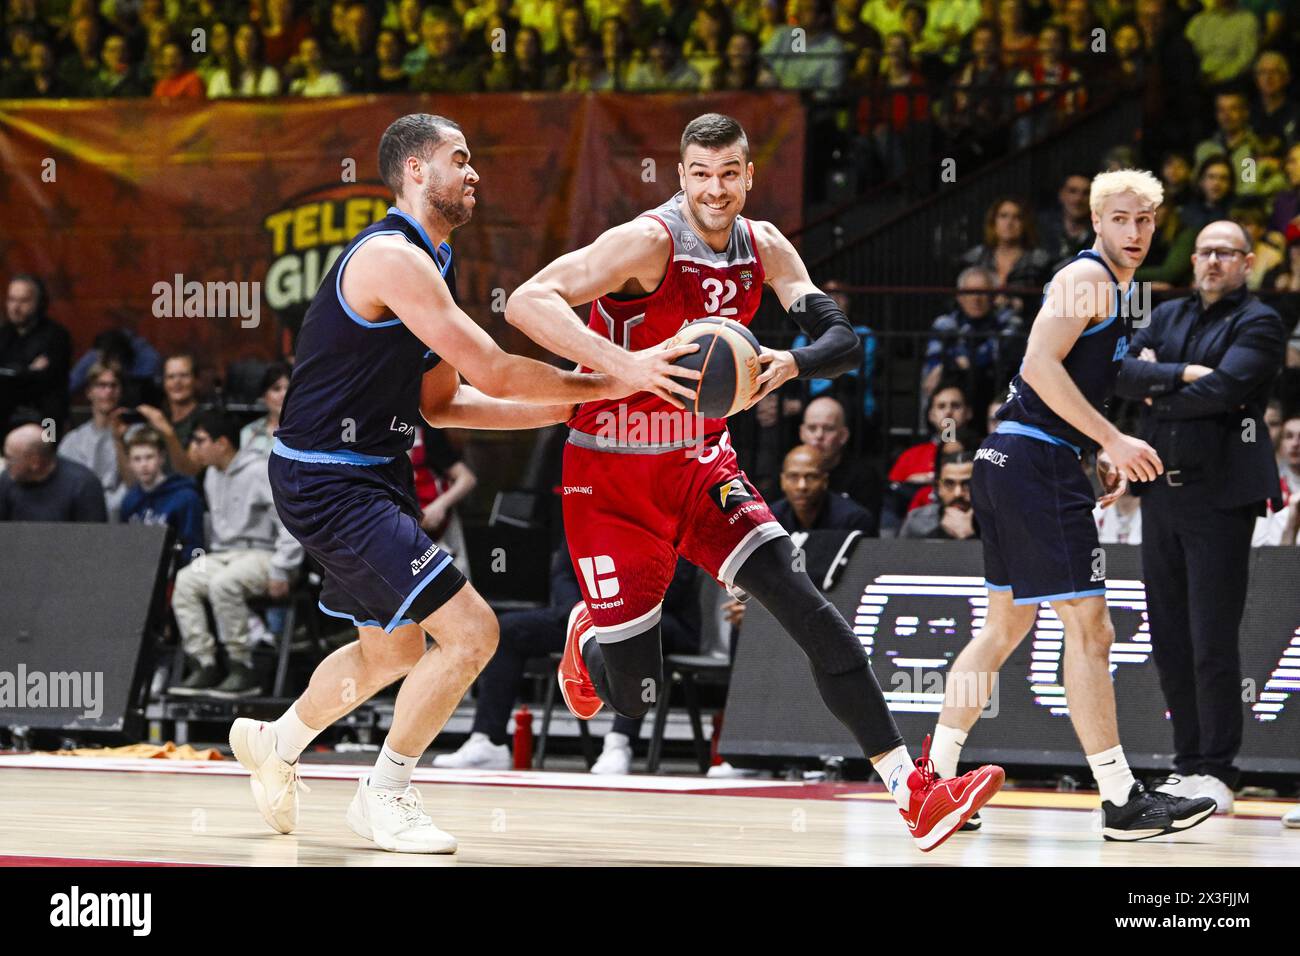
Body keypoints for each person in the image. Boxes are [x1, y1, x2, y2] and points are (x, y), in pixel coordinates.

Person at [507, 112, 1003, 851]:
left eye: (729, 174)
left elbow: (842, 339)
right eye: (700, 174)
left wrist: (790, 362)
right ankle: (589, 635)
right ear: (680, 176)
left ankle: (913, 790)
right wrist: (631, 366)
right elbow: (527, 301)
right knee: (637, 695)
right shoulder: (646, 242)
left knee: (803, 603)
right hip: (609, 476)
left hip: (701, 463)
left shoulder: (763, 245)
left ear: (747, 175)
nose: (715, 189)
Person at [227, 114, 647, 854]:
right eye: (461, 158)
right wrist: (617, 377)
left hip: (369, 473)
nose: (474, 171)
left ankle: (276, 742)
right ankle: (384, 793)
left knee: (390, 654)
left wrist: (586, 400)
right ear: (416, 171)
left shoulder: (434, 261)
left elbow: (445, 403)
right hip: (330, 479)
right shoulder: (395, 258)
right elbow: (492, 367)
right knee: (472, 632)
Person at [929, 168, 1219, 840]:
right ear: (1096, 221)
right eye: (1122, 218)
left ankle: (937, 777)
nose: (1135, 231)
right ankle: (1121, 799)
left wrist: (1090, 454)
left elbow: (1069, 384)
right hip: (1029, 462)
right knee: (1091, 629)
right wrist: (1112, 439)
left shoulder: (1115, 289)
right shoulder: (1086, 278)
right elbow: (1037, 367)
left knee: (1004, 628)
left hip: (1012, 458)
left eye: (1146, 220)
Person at [1116, 220, 1288, 813]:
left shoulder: (1261, 321)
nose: (1214, 261)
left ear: (1246, 262)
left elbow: (1227, 393)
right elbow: (1121, 372)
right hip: (1161, 491)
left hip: (1220, 498)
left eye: (1226, 253)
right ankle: (1186, 764)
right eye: (1205, 252)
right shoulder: (1164, 316)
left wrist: (1157, 385)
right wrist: (1182, 376)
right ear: (1192, 260)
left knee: (1211, 636)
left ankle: (1217, 769)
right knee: (1168, 636)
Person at [434, 542, 700, 774]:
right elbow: (563, 574)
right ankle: (489, 741)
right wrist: (580, 612)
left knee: (634, 632)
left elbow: (675, 584)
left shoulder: (663, 509)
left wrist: (612, 607)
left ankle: (619, 744)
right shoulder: (589, 507)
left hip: (658, 616)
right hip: (588, 612)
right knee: (508, 631)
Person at [168, 411, 304, 698]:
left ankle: (242, 665)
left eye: (201, 440)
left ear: (222, 443)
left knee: (223, 584)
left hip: (265, 554)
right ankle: (203, 662)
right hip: (225, 554)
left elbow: (291, 521)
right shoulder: (211, 476)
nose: (195, 447)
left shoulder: (260, 471)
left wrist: (283, 567)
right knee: (185, 581)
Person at [119, 427, 205, 567]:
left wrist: (198, 574)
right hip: (137, 570)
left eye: (149, 457)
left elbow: (196, 546)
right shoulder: (129, 500)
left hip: (179, 573)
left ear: (162, 458)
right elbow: (124, 544)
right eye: (137, 459)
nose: (143, 465)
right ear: (129, 463)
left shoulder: (186, 497)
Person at [58, 362, 130, 518]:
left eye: (113, 386)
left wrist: (119, 441)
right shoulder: (73, 440)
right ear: (89, 392)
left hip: (121, 516)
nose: (108, 391)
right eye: (101, 385)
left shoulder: (134, 434)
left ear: (120, 392)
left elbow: (137, 485)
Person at [0, 274, 71, 432]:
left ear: (39, 303)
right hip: (7, 413)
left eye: (23, 301)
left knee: (48, 442)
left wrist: (14, 374)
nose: (15, 307)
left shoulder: (56, 336)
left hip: (47, 416)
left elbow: (46, 380)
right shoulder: (4, 335)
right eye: (11, 300)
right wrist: (28, 371)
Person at [0, 421, 107, 522]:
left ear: (34, 462)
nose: (6, 464)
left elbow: (93, 536)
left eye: (12, 459)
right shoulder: (7, 481)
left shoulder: (83, 485)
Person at [798, 395, 881, 515]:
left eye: (828, 429)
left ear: (843, 435)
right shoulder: (786, 472)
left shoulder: (864, 477)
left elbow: (865, 527)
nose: (819, 435)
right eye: (812, 428)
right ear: (802, 433)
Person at [771, 444, 876, 533]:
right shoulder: (770, 520)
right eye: (793, 477)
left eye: (811, 477)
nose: (801, 486)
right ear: (782, 481)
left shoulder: (853, 520)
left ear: (825, 481)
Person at [898, 450, 976, 539]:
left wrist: (970, 537)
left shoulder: (994, 522)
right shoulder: (918, 520)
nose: (957, 493)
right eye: (949, 484)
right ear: (938, 487)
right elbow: (904, 552)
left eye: (968, 484)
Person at [239, 362, 290, 457]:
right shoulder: (249, 432)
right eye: (276, 389)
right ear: (264, 396)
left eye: (289, 389)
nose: (284, 394)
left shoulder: (304, 430)